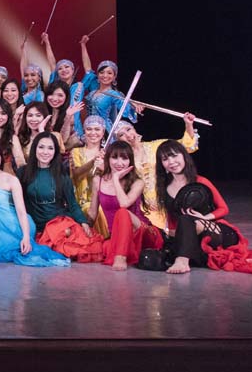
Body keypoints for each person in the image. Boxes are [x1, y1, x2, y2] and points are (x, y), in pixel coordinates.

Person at [154, 141, 252, 275]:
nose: (171, 161)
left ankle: (182, 262)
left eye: (174, 156)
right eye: (165, 159)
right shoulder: (163, 187)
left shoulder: (201, 181)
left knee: (187, 219)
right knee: (159, 253)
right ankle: (233, 258)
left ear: (184, 156)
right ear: (162, 164)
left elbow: (223, 208)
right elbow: (171, 220)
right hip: (191, 234)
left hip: (216, 230)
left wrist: (204, 218)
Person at [0, 141, 69, 267]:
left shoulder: (11, 180)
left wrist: (26, 237)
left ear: (1, 158)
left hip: (14, 223)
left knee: (11, 247)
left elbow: (21, 210)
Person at [19, 132, 103, 262]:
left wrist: (83, 222)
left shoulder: (61, 174)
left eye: (50, 148)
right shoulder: (23, 172)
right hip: (36, 225)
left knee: (78, 245)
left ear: (55, 152)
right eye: (41, 147)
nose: (45, 152)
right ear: (34, 148)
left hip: (59, 222)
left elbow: (72, 203)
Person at [112, 113, 199, 229]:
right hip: (143, 207)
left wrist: (188, 124)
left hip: (168, 199)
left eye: (128, 129)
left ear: (134, 129)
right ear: (118, 140)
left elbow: (186, 147)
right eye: (121, 134)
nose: (128, 135)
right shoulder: (123, 160)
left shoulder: (156, 146)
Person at [89, 141, 163, 270]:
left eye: (124, 158)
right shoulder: (98, 181)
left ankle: (121, 257)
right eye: (115, 157)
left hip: (143, 233)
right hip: (117, 237)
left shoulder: (137, 182)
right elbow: (92, 212)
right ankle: (121, 251)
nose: (119, 163)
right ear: (108, 159)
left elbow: (124, 204)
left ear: (130, 161)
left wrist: (115, 179)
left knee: (122, 212)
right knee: (100, 248)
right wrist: (85, 228)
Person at [68, 115, 110, 237]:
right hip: (83, 201)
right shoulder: (76, 152)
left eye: (97, 129)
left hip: (104, 198)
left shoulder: (108, 154)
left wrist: (104, 168)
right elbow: (76, 175)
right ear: (84, 131)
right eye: (89, 129)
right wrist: (93, 162)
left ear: (103, 132)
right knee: (93, 210)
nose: (93, 133)